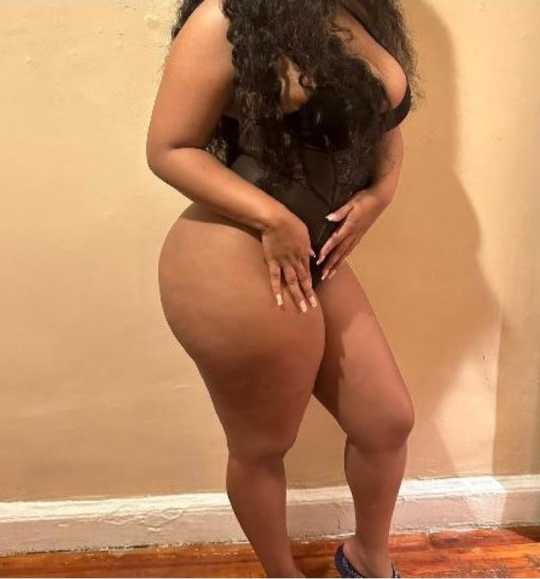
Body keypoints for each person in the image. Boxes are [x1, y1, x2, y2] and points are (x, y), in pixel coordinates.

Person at [147, 0, 422, 577]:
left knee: (386, 421)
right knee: (263, 446)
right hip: (238, 255)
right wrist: (273, 220)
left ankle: (367, 561)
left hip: (314, 253)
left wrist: (381, 192)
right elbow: (169, 148)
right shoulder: (223, 17)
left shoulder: (361, 9)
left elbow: (383, 117)